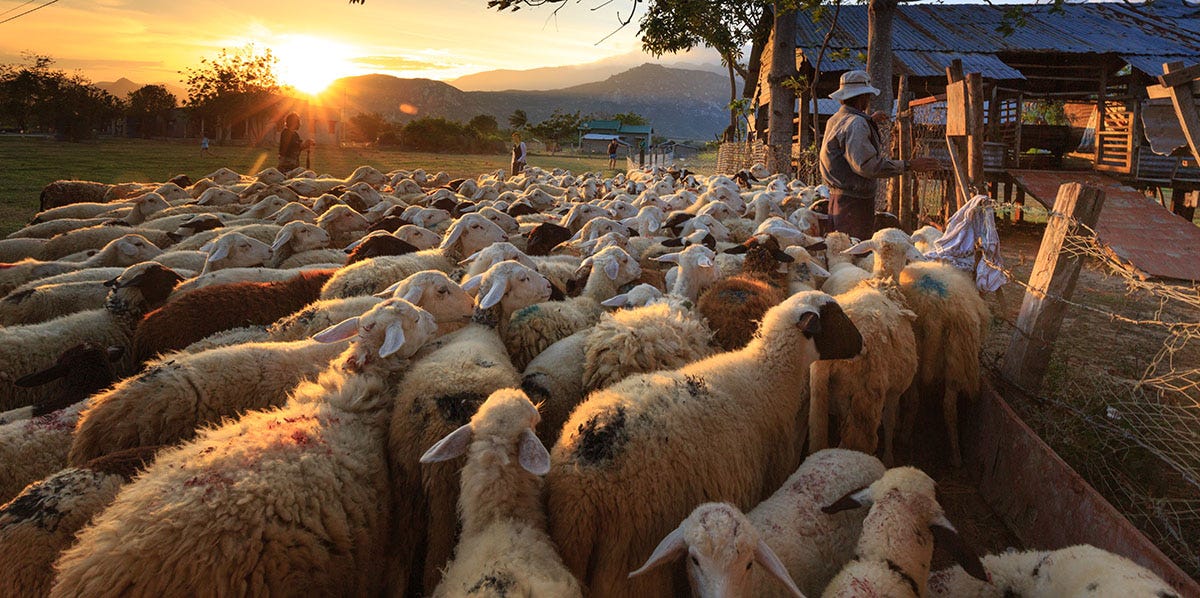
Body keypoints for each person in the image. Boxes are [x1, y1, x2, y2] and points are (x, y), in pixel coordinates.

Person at [819, 70, 941, 241]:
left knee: (840, 253)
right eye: (867, 96)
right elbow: (866, 166)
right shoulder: (857, 123)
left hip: (837, 199)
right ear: (863, 98)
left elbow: (847, 140)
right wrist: (909, 165)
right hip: (854, 206)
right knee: (855, 254)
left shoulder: (837, 119)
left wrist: (869, 120)